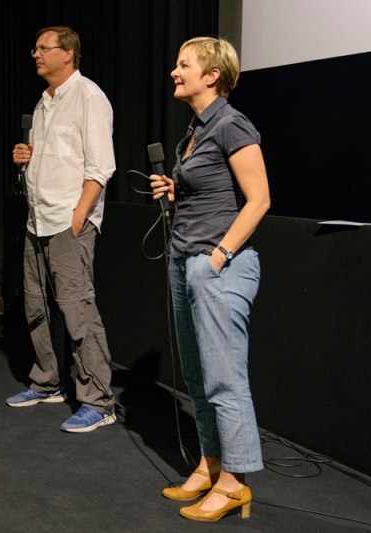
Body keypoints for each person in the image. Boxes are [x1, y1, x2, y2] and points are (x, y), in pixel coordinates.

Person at [150, 37, 270, 521]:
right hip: (186, 259)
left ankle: (236, 481)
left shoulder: (231, 123)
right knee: (199, 378)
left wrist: (219, 256)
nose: (175, 72)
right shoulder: (195, 132)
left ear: (212, 75)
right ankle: (211, 461)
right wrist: (175, 188)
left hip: (218, 264)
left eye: (184, 65)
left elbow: (259, 199)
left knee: (225, 378)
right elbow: (210, 189)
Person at [7, 26, 117, 433]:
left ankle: (99, 401)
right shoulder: (43, 103)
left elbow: (101, 166)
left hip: (69, 221)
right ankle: (48, 382)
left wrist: (79, 216)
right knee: (37, 306)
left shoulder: (89, 97)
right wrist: (25, 157)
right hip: (38, 219)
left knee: (78, 310)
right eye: (34, 48)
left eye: (43, 48)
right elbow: (53, 160)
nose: (35, 54)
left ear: (67, 53)